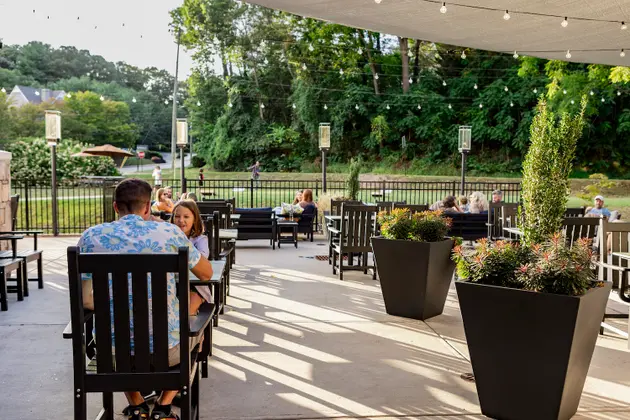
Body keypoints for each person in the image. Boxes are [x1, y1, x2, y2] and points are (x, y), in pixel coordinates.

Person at [77, 178, 213, 420]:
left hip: (113, 355)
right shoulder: (169, 233)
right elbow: (206, 273)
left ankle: (138, 406)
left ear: (115, 207)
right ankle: (163, 405)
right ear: (148, 207)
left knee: (115, 341)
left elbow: (86, 300)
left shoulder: (91, 237)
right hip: (167, 350)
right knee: (198, 332)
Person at [171, 200, 212, 314]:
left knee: (188, 311)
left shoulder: (200, 239)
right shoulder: (167, 239)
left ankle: (191, 331)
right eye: (177, 216)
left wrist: (181, 239)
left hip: (195, 287)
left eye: (186, 217)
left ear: (195, 219)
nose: (181, 220)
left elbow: (202, 258)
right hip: (172, 286)